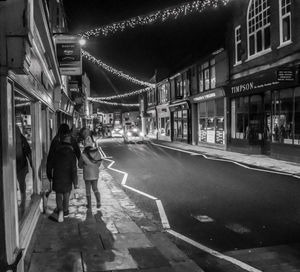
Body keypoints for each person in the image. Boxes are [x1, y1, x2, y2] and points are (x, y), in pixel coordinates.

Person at [49, 132, 78, 222]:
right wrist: (75, 182)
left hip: (57, 175)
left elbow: (51, 163)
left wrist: (50, 174)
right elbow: (74, 169)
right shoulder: (72, 153)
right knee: (66, 194)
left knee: (58, 194)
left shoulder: (56, 151)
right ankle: (65, 211)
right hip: (67, 176)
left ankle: (60, 210)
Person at [78, 136, 102, 210]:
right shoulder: (97, 152)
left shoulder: (83, 154)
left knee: (88, 189)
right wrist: (95, 167)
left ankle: (89, 205)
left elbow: (80, 165)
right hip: (95, 173)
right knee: (95, 188)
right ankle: (98, 202)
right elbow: (99, 162)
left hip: (87, 174)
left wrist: (84, 166)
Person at [15, 125, 32, 209]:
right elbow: (28, 152)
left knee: (20, 184)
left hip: (19, 166)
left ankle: (22, 201)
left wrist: (32, 163)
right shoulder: (22, 139)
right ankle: (22, 201)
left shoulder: (21, 139)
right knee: (21, 184)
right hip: (21, 166)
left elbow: (28, 151)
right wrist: (31, 163)